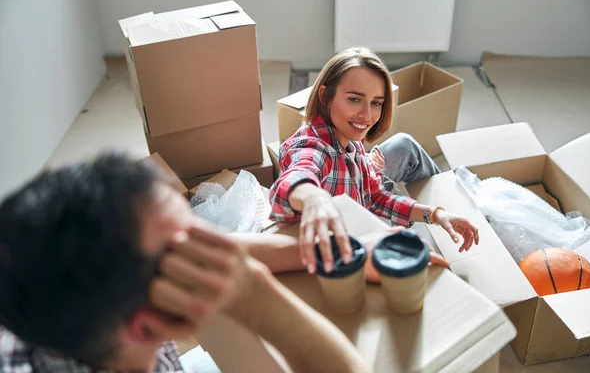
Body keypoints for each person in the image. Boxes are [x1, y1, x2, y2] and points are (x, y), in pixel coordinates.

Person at [0, 152, 370, 373]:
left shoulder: (45, 287)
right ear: (151, 326)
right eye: (192, 250)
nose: (219, 250)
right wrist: (259, 297)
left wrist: (325, 253)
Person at [270, 47, 480, 277]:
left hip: (363, 207)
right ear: (325, 96)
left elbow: (377, 197)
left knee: (404, 145)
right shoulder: (313, 147)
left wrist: (436, 214)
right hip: (348, 248)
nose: (367, 115)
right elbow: (295, 177)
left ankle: (461, 210)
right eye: (354, 99)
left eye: (376, 103)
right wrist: (314, 198)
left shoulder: (349, 139)